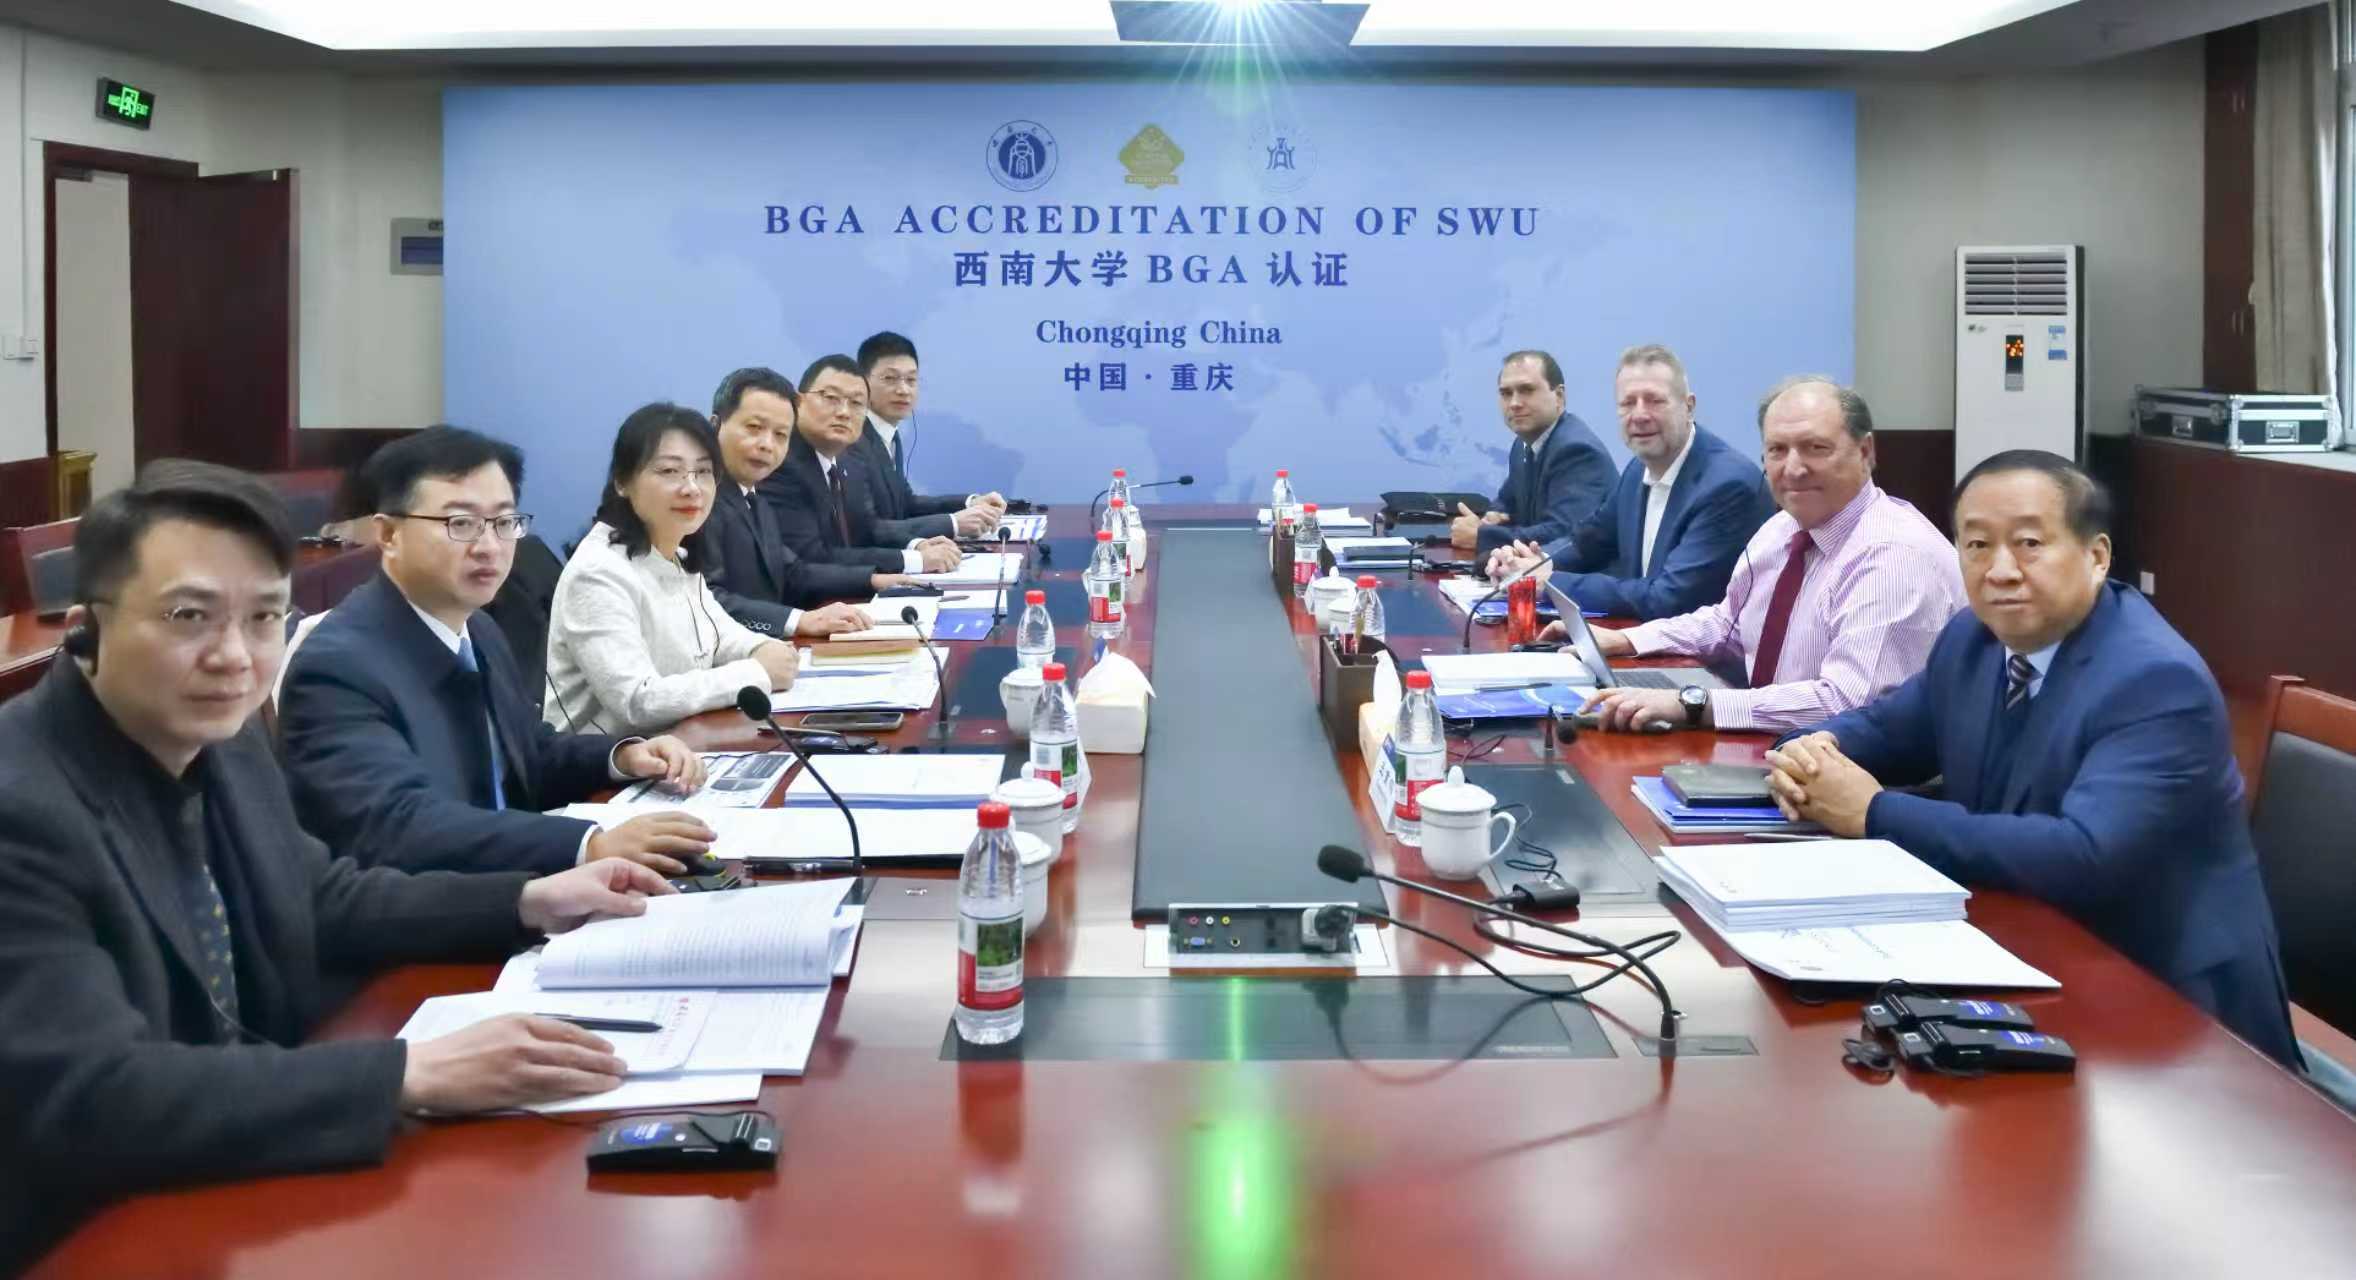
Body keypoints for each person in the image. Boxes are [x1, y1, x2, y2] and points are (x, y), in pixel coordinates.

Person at [0, 461, 674, 1271]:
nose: (234, 657)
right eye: (188, 616)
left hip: (243, 1176)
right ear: (86, 630)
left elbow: (320, 895)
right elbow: (92, 1096)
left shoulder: (222, 737)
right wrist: (405, 1074)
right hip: (90, 1232)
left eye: (264, 618)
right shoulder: (22, 806)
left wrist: (529, 900)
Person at [1764, 451, 2299, 1066]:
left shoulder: (2155, 681)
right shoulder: (1973, 638)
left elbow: (2085, 855)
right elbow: (1888, 729)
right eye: (1977, 546)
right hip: (2025, 947)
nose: (2001, 571)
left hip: (2167, 1008)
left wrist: (1874, 813)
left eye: (2029, 544)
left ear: (2096, 557)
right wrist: (1809, 750)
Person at [280, 427, 718, 878]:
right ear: (388, 534)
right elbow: (399, 825)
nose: (489, 547)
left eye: (504, 522)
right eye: (460, 523)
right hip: (435, 909)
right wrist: (589, 845)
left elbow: (526, 753)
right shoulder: (338, 666)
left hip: (512, 879)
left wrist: (623, 756)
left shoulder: (479, 629)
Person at [1566, 376, 1965, 735]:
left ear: (1865, 451)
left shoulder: (1893, 557)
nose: (1793, 468)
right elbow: (1727, 623)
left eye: (1815, 448)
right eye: (1777, 450)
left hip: (1859, 773)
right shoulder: (1782, 529)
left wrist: (1693, 705)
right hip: (1779, 747)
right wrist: (1627, 639)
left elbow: (1847, 703)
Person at [544, 405, 805, 737]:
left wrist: (762, 649)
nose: (691, 488)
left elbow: (720, 636)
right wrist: (756, 673)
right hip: (609, 762)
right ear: (622, 481)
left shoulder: (676, 552)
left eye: (703, 471)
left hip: (682, 741)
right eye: (670, 471)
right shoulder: (597, 573)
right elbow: (637, 700)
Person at [1484, 344, 1774, 619]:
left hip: (1705, 653)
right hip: (1644, 641)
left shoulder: (1728, 485)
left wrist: (1550, 582)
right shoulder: (1638, 469)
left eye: (1655, 401)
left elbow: (1669, 598)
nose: (1639, 415)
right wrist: (1532, 563)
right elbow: (1588, 541)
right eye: (1627, 403)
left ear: (1689, 407)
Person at [706, 367, 901, 638]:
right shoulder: (699, 502)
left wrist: (873, 580)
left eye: (780, 435)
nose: (767, 444)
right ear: (715, 426)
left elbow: (793, 572)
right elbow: (704, 601)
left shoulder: (755, 499)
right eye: (754, 428)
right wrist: (797, 620)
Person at [764, 354, 963, 575]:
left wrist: (916, 544)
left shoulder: (849, 461)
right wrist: (914, 560)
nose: (844, 412)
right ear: (798, 403)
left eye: (856, 403)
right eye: (831, 398)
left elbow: (867, 528)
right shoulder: (781, 465)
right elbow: (813, 556)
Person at [1448, 349, 1615, 555]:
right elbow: (1506, 501)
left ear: (1559, 397)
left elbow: (1564, 534)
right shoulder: (1522, 445)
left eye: (1526, 390)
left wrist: (1483, 536)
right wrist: (1494, 517)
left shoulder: (1577, 451)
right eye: (1506, 393)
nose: (1514, 403)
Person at [856, 330, 1008, 539]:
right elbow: (867, 530)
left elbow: (906, 503)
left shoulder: (888, 434)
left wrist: (970, 503)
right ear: (861, 383)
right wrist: (954, 523)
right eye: (890, 378)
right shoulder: (852, 440)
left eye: (911, 380)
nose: (903, 390)